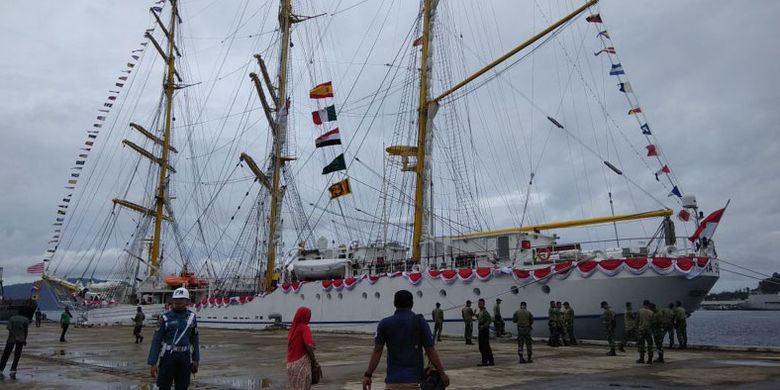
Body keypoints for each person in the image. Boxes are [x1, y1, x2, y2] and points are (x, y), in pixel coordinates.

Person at [362, 290, 449, 389]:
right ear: (412, 303)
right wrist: (442, 374)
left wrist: (368, 375)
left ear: (394, 304)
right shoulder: (420, 321)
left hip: (392, 382)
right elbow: (430, 351)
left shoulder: (384, 323)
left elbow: (377, 351)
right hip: (414, 382)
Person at [148, 287, 200, 390]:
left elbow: (194, 339)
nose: (178, 301)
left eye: (181, 299)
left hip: (185, 357)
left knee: (183, 386)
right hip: (169, 357)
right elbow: (157, 340)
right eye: (176, 299)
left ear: (187, 301)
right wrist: (153, 362)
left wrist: (196, 359)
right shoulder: (165, 318)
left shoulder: (191, 317)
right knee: (164, 386)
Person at [287, 307, 319, 389]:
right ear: (304, 316)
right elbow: (308, 344)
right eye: (309, 316)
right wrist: (314, 361)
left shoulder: (293, 329)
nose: (310, 318)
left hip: (291, 365)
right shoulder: (304, 328)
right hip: (301, 364)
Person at [0, 307, 34, 375]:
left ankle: (1, 368)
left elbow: (9, 328)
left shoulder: (12, 318)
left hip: (11, 339)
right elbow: (25, 331)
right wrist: (24, 339)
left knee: (6, 354)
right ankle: (13, 368)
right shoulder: (26, 320)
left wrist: (14, 335)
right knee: (17, 354)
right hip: (21, 339)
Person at [476, 299, 494, 366]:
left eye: (481, 303)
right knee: (483, 346)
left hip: (484, 331)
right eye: (479, 303)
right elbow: (480, 317)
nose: (479, 305)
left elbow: (489, 320)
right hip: (481, 330)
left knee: (484, 346)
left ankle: (485, 361)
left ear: (484, 304)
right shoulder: (480, 312)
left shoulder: (485, 312)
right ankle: (490, 360)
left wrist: (483, 326)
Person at [636, 300, 654, 364]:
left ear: (643, 304)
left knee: (641, 345)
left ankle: (641, 358)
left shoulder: (640, 311)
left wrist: (637, 328)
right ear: (648, 305)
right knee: (650, 345)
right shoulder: (651, 312)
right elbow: (653, 322)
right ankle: (650, 359)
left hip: (641, 329)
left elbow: (637, 320)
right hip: (648, 330)